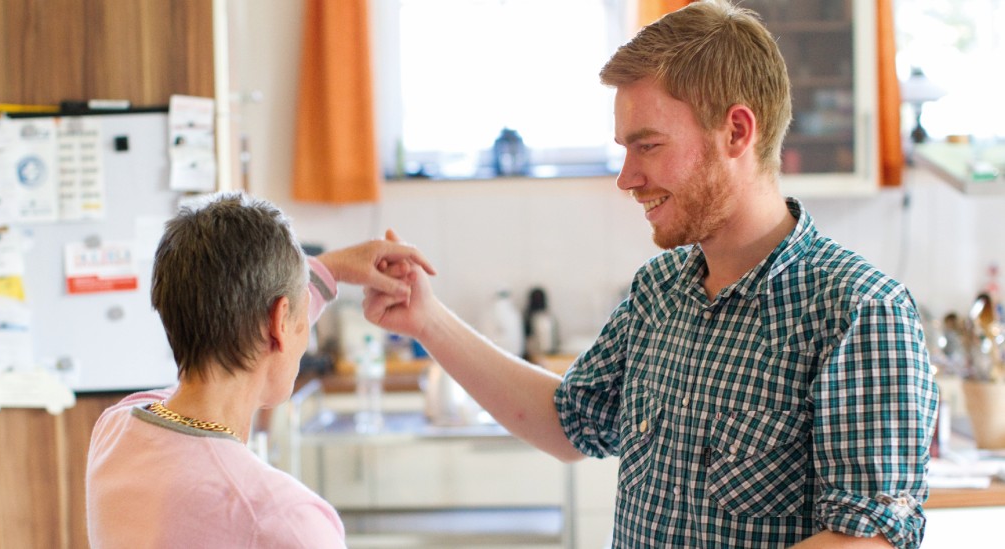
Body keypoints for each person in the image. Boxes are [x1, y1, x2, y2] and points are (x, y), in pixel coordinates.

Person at [363, 2, 938, 548]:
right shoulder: (658, 292)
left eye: (649, 146)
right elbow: (567, 424)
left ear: (737, 132)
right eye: (625, 149)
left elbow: (867, 535)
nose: (627, 177)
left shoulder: (859, 311)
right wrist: (427, 318)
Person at [86, 191, 434, 548]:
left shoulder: (116, 430)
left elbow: (251, 313)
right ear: (281, 321)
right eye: (300, 318)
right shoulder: (282, 520)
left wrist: (331, 269)